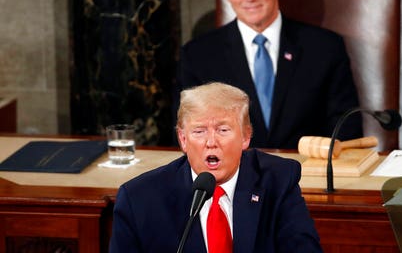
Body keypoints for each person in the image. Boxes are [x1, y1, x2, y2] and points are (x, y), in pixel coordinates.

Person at [176, 0, 362, 149]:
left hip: (308, 175)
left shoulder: (326, 48)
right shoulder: (198, 55)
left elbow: (347, 131)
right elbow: (189, 136)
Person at [110, 82, 322, 252]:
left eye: (222, 130)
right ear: (183, 139)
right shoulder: (140, 199)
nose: (211, 142)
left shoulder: (278, 180)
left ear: (246, 136)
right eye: (199, 131)